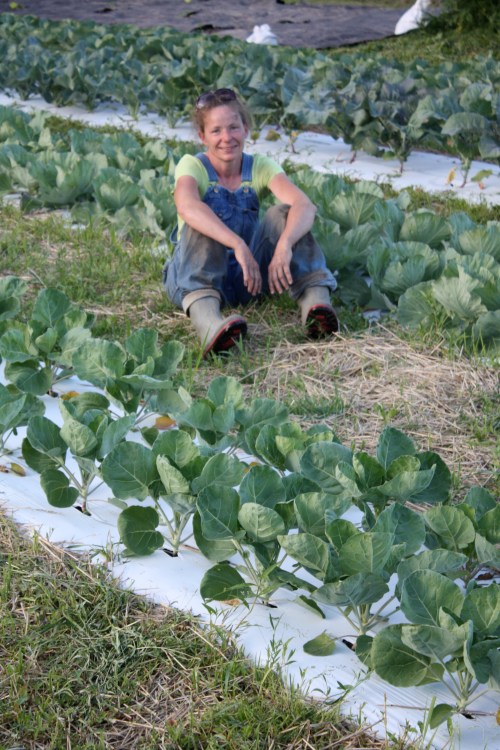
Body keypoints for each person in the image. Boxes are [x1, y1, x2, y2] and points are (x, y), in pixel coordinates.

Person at [163, 88, 338, 357]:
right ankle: (209, 325)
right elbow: (187, 207)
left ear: (245, 129)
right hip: (193, 277)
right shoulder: (192, 165)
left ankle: (316, 306)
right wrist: (238, 244)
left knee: (285, 213)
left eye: (233, 127)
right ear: (202, 137)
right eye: (216, 131)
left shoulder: (260, 166)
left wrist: (285, 245)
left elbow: (305, 205)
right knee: (202, 216)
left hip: (250, 280)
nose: (226, 138)